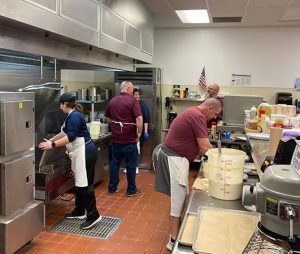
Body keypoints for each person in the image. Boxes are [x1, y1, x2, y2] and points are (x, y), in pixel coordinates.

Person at [152, 98, 222, 251]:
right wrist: (222, 161)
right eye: (216, 114)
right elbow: (204, 147)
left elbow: (201, 144)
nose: (215, 117)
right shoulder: (197, 116)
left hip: (177, 158)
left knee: (182, 196)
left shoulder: (194, 112)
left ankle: (179, 231)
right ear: (210, 108)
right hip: (174, 158)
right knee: (178, 201)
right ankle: (173, 240)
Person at [38, 92, 102, 230]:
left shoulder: (74, 116)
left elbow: (71, 137)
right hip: (81, 152)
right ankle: (79, 211)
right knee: (80, 183)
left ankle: (94, 215)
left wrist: (53, 145)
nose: (60, 107)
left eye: (60, 104)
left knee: (86, 185)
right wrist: (51, 140)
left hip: (84, 152)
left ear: (64, 104)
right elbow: (64, 133)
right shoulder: (72, 115)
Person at [105, 81, 143, 197]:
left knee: (115, 164)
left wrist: (116, 125)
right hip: (129, 140)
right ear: (128, 88)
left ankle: (112, 189)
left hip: (116, 140)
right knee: (131, 165)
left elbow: (107, 118)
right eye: (132, 89)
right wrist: (139, 133)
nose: (132, 91)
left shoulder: (113, 101)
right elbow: (139, 118)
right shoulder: (132, 101)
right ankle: (131, 190)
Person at [133, 88, 150, 173]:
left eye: (138, 95)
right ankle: (132, 166)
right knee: (134, 148)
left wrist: (145, 131)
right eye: (135, 94)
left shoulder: (142, 105)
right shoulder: (131, 104)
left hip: (139, 130)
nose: (137, 96)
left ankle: (136, 166)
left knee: (137, 148)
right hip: (132, 130)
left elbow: (146, 119)